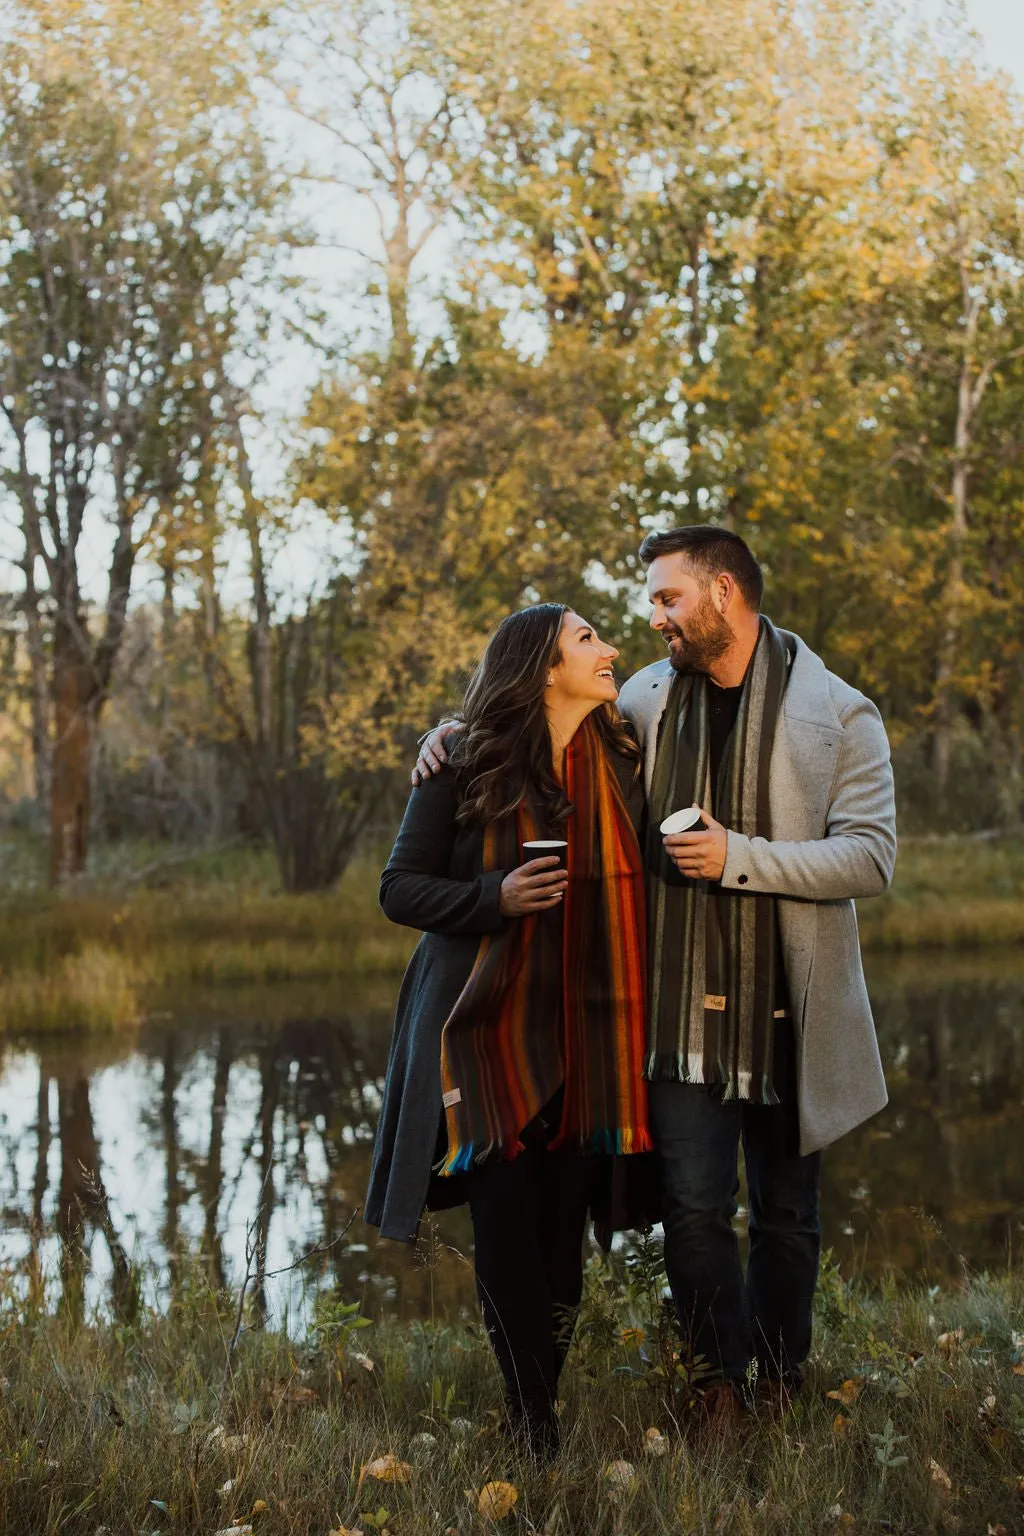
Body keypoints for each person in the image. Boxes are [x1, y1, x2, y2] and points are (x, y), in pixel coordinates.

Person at [414, 526, 897, 1433]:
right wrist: (454, 731)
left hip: (793, 1009)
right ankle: (715, 1385)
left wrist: (736, 858)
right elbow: (541, 720)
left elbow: (870, 860)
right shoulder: (642, 696)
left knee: (788, 1217)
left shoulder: (842, 714)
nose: (653, 619)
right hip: (672, 1012)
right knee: (693, 1211)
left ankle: (783, 1380)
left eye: (668, 599)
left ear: (722, 593)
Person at [365, 603, 656, 1457]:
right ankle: (533, 1420)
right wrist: (494, 898)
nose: (610, 650)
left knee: (563, 1232)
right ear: (541, 668)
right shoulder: (464, 758)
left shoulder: (625, 754)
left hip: (589, 1033)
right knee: (503, 1225)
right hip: (483, 1030)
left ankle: (542, 1398)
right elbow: (398, 890)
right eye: (588, 640)